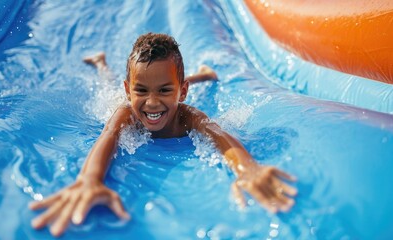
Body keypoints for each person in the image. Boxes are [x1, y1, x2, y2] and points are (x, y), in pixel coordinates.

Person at [29, 32, 297, 237]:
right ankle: (101, 63)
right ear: (129, 91)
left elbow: (217, 133)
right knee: (106, 85)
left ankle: (202, 76)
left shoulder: (188, 116)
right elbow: (108, 136)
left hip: (180, 87)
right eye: (141, 91)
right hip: (125, 90)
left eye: (166, 92)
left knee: (161, 81)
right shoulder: (126, 113)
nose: (153, 103)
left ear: (182, 92)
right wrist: (89, 180)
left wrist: (246, 168)